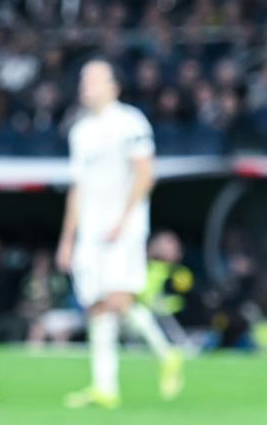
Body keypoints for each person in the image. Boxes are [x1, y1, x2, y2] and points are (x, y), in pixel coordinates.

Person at [56, 60, 184, 409]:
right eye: (84, 79)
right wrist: (67, 239)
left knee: (118, 299)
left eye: (94, 79)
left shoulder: (130, 122)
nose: (86, 85)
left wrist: (123, 219)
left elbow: (145, 173)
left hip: (123, 227)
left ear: (113, 86)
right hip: (90, 229)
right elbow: (77, 188)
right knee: (97, 304)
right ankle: (105, 388)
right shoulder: (80, 131)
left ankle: (167, 353)